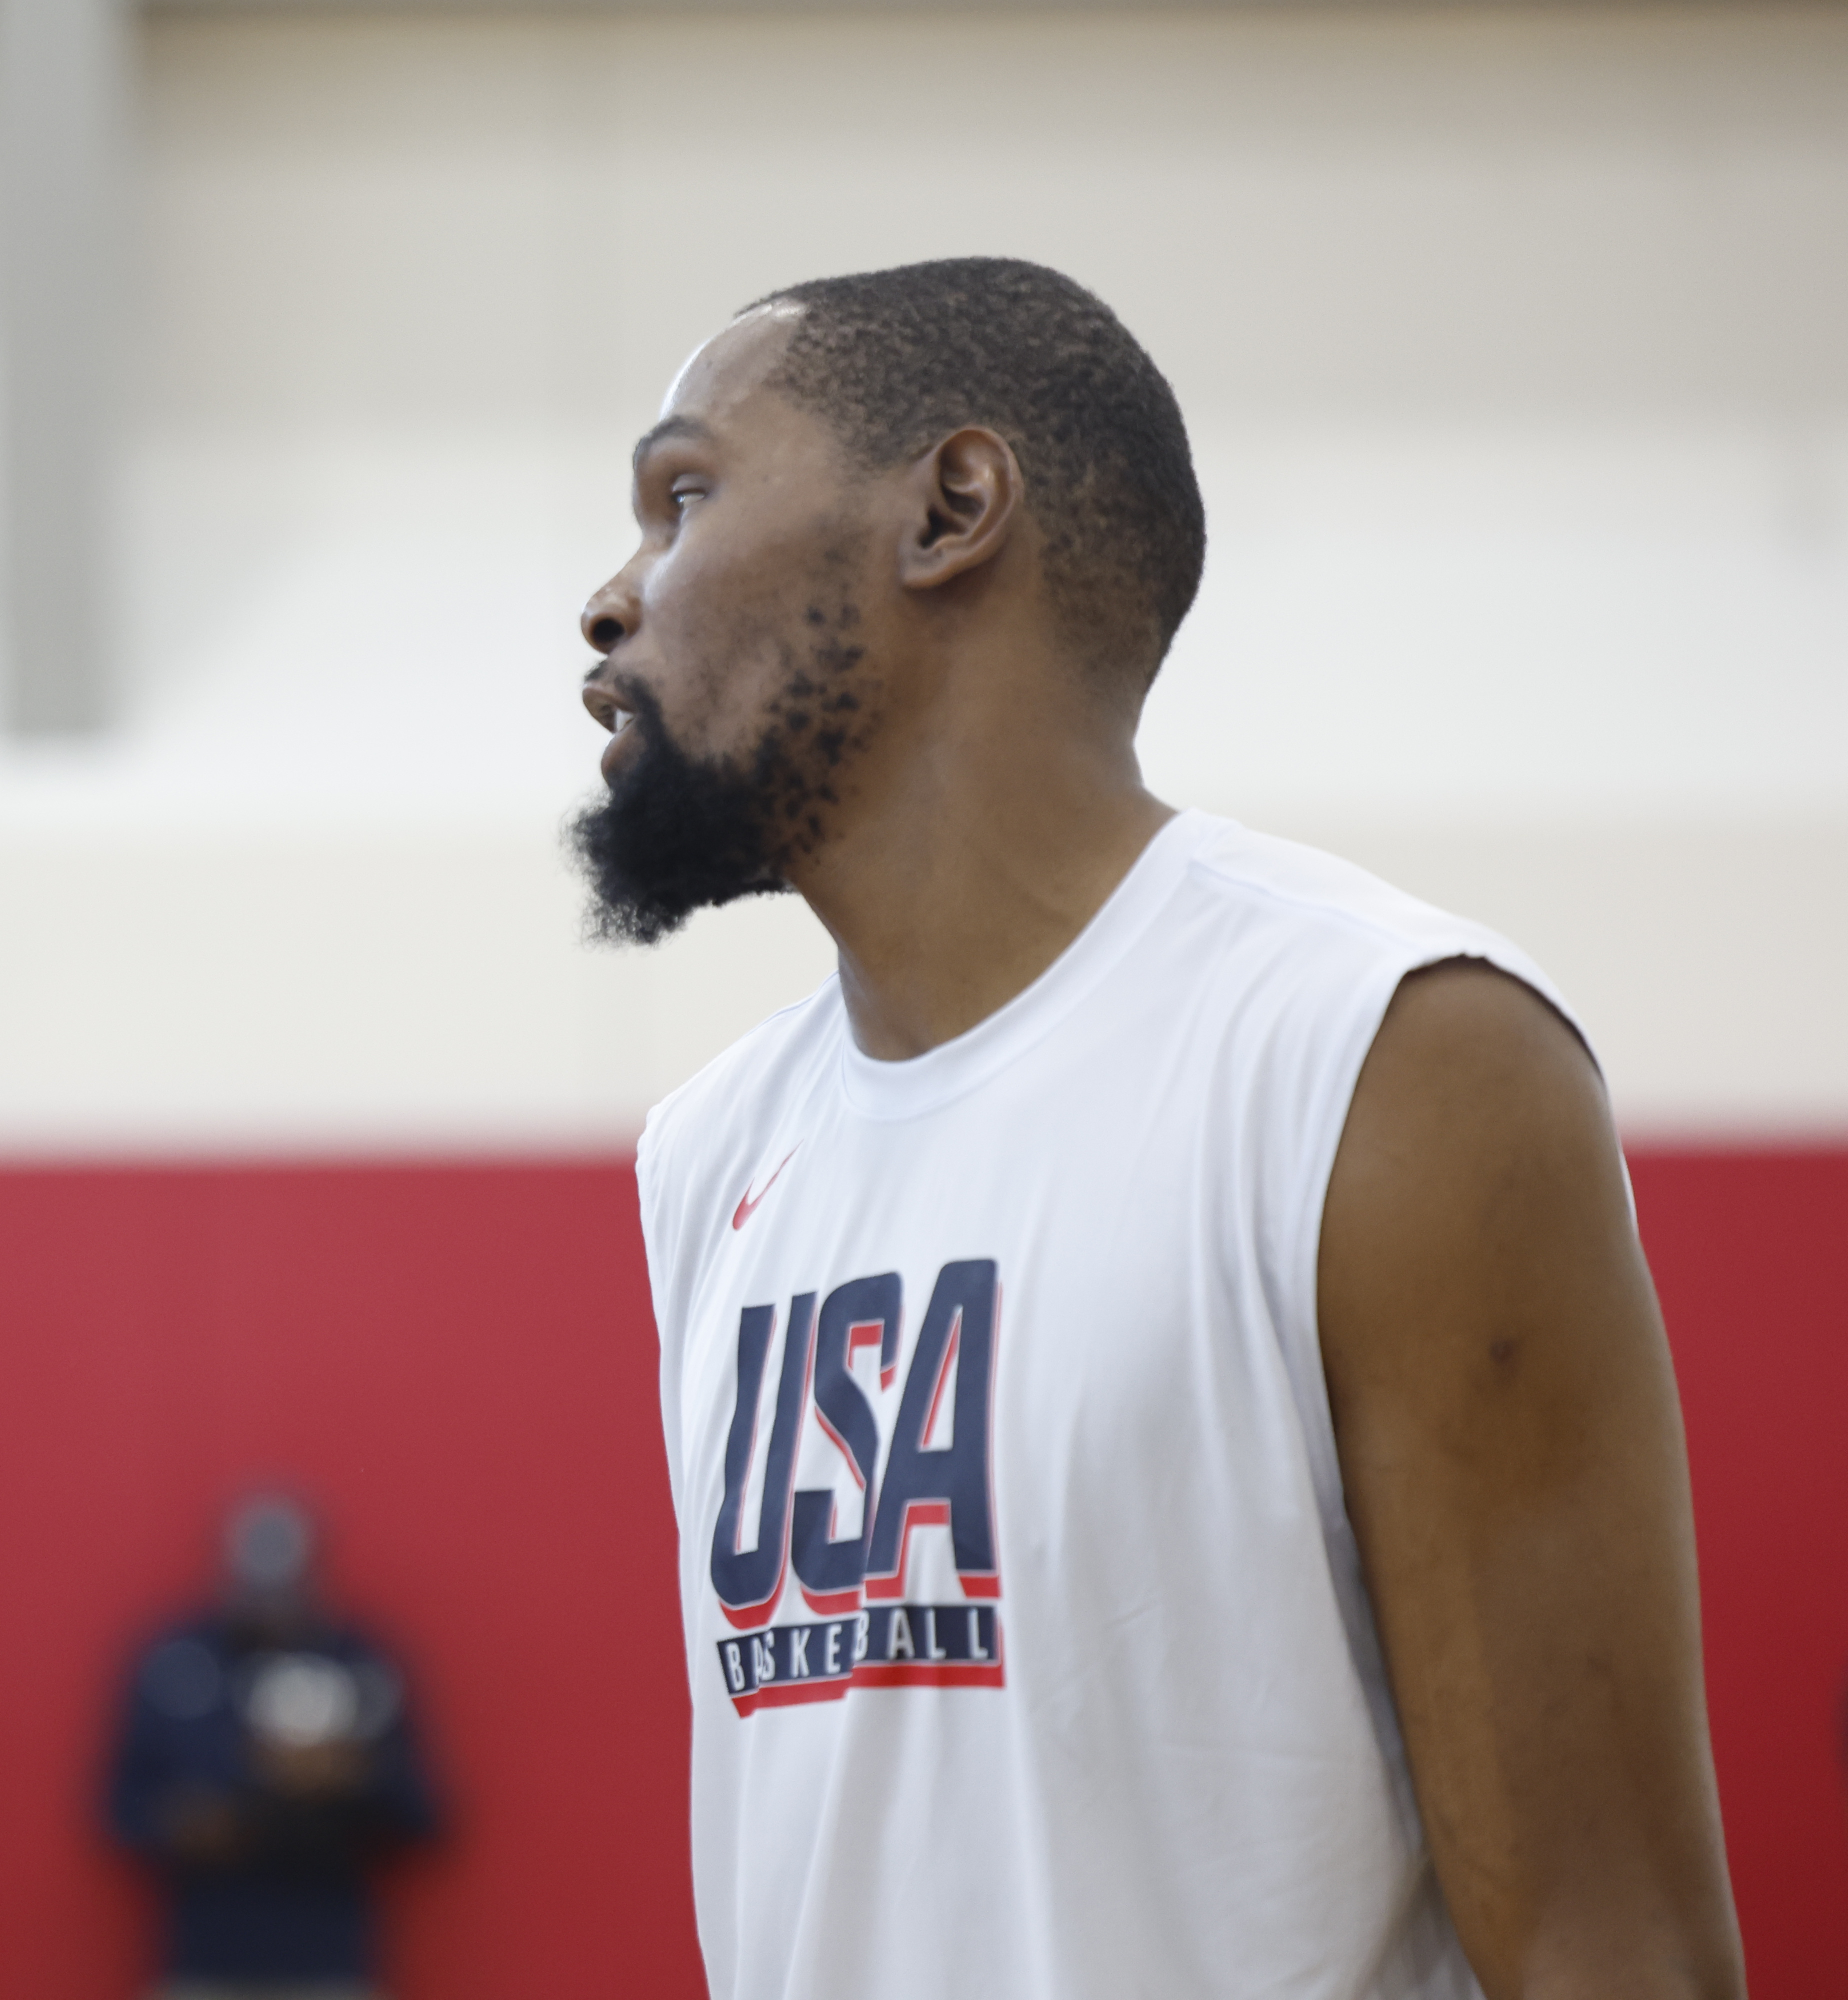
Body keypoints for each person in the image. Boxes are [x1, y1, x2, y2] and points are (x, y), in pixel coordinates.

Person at [572, 260, 1743, 1998]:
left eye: (685, 498)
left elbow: (1610, 1948)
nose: (613, 602)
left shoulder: (1387, 1055)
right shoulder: (713, 1153)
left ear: (951, 509)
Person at [107, 1497, 438, 2000]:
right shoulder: (176, 1660)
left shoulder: (357, 1661)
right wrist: (184, 1823)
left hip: (327, 1956)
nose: (269, 1599)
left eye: (287, 1578)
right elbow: (117, 1806)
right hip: (208, 1955)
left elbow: (423, 1813)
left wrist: (348, 1777)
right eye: (255, 1578)